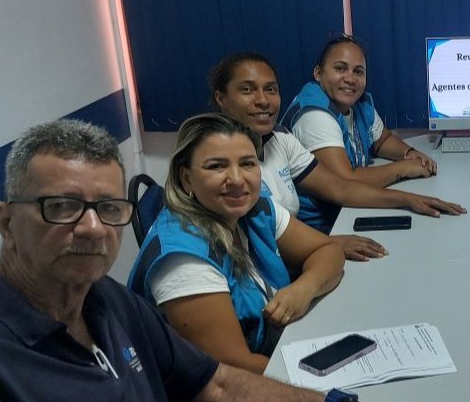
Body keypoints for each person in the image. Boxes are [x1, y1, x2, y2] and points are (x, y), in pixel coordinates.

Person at [0, 119, 352, 401]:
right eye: (60, 206)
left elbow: (219, 384)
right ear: (6, 222)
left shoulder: (110, 303)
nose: (92, 228)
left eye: (108, 208)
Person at [128, 114, 346, 375]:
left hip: (276, 350)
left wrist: (304, 288)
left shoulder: (252, 207)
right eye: (216, 166)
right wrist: (327, 377)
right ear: (186, 179)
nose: (237, 179)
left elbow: (328, 251)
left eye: (247, 163)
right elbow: (232, 371)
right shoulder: (182, 260)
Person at [210, 52, 466, 261]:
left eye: (271, 90)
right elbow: (254, 246)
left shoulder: (280, 139)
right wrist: (326, 245)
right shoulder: (212, 164)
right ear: (221, 98)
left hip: (298, 255)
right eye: (247, 90)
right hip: (272, 272)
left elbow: (340, 188)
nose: (262, 101)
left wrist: (409, 200)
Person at [282, 35, 437, 230]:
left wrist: (408, 153)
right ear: (318, 73)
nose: (350, 78)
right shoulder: (314, 114)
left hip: (352, 209)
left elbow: (383, 140)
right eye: (340, 68)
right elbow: (346, 181)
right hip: (322, 228)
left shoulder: (360, 103)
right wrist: (404, 169)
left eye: (358, 71)